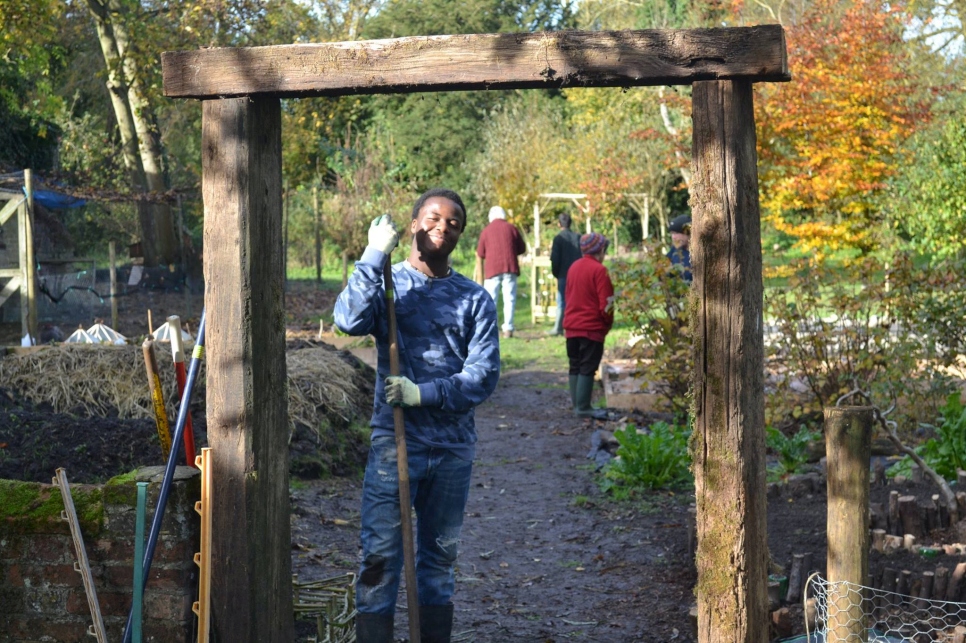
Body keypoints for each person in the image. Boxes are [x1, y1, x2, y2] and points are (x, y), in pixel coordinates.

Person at [333, 188, 500, 643]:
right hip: (395, 442)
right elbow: (347, 321)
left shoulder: (474, 300)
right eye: (432, 217)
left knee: (439, 558)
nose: (442, 227)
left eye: (454, 223)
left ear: (461, 235)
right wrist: (371, 255)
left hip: (450, 448)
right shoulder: (390, 285)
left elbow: (483, 377)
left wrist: (421, 393)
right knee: (380, 556)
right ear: (412, 225)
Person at [563, 232, 614, 420]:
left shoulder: (573, 267)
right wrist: (607, 323)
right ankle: (583, 408)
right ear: (600, 250)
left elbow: (568, 296)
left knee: (574, 365)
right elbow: (607, 303)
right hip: (591, 328)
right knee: (587, 367)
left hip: (571, 327)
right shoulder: (600, 271)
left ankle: (577, 405)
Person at [476, 205, 527, 338]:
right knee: (509, 298)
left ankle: (489, 328)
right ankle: (508, 329)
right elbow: (522, 248)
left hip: (492, 269)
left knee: (491, 299)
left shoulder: (486, 231)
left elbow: (480, 253)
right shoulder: (511, 228)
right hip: (509, 267)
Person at [549, 212, 582, 336]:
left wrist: (556, 273)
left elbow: (555, 259)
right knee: (576, 300)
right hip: (577, 274)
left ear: (559, 224)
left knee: (562, 301)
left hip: (563, 274)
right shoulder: (578, 237)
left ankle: (559, 327)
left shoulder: (558, 239)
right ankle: (575, 326)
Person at [667, 214, 692, 283]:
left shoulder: (699, 253)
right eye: (672, 233)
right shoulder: (675, 249)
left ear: (688, 233)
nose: (673, 237)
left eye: (677, 233)